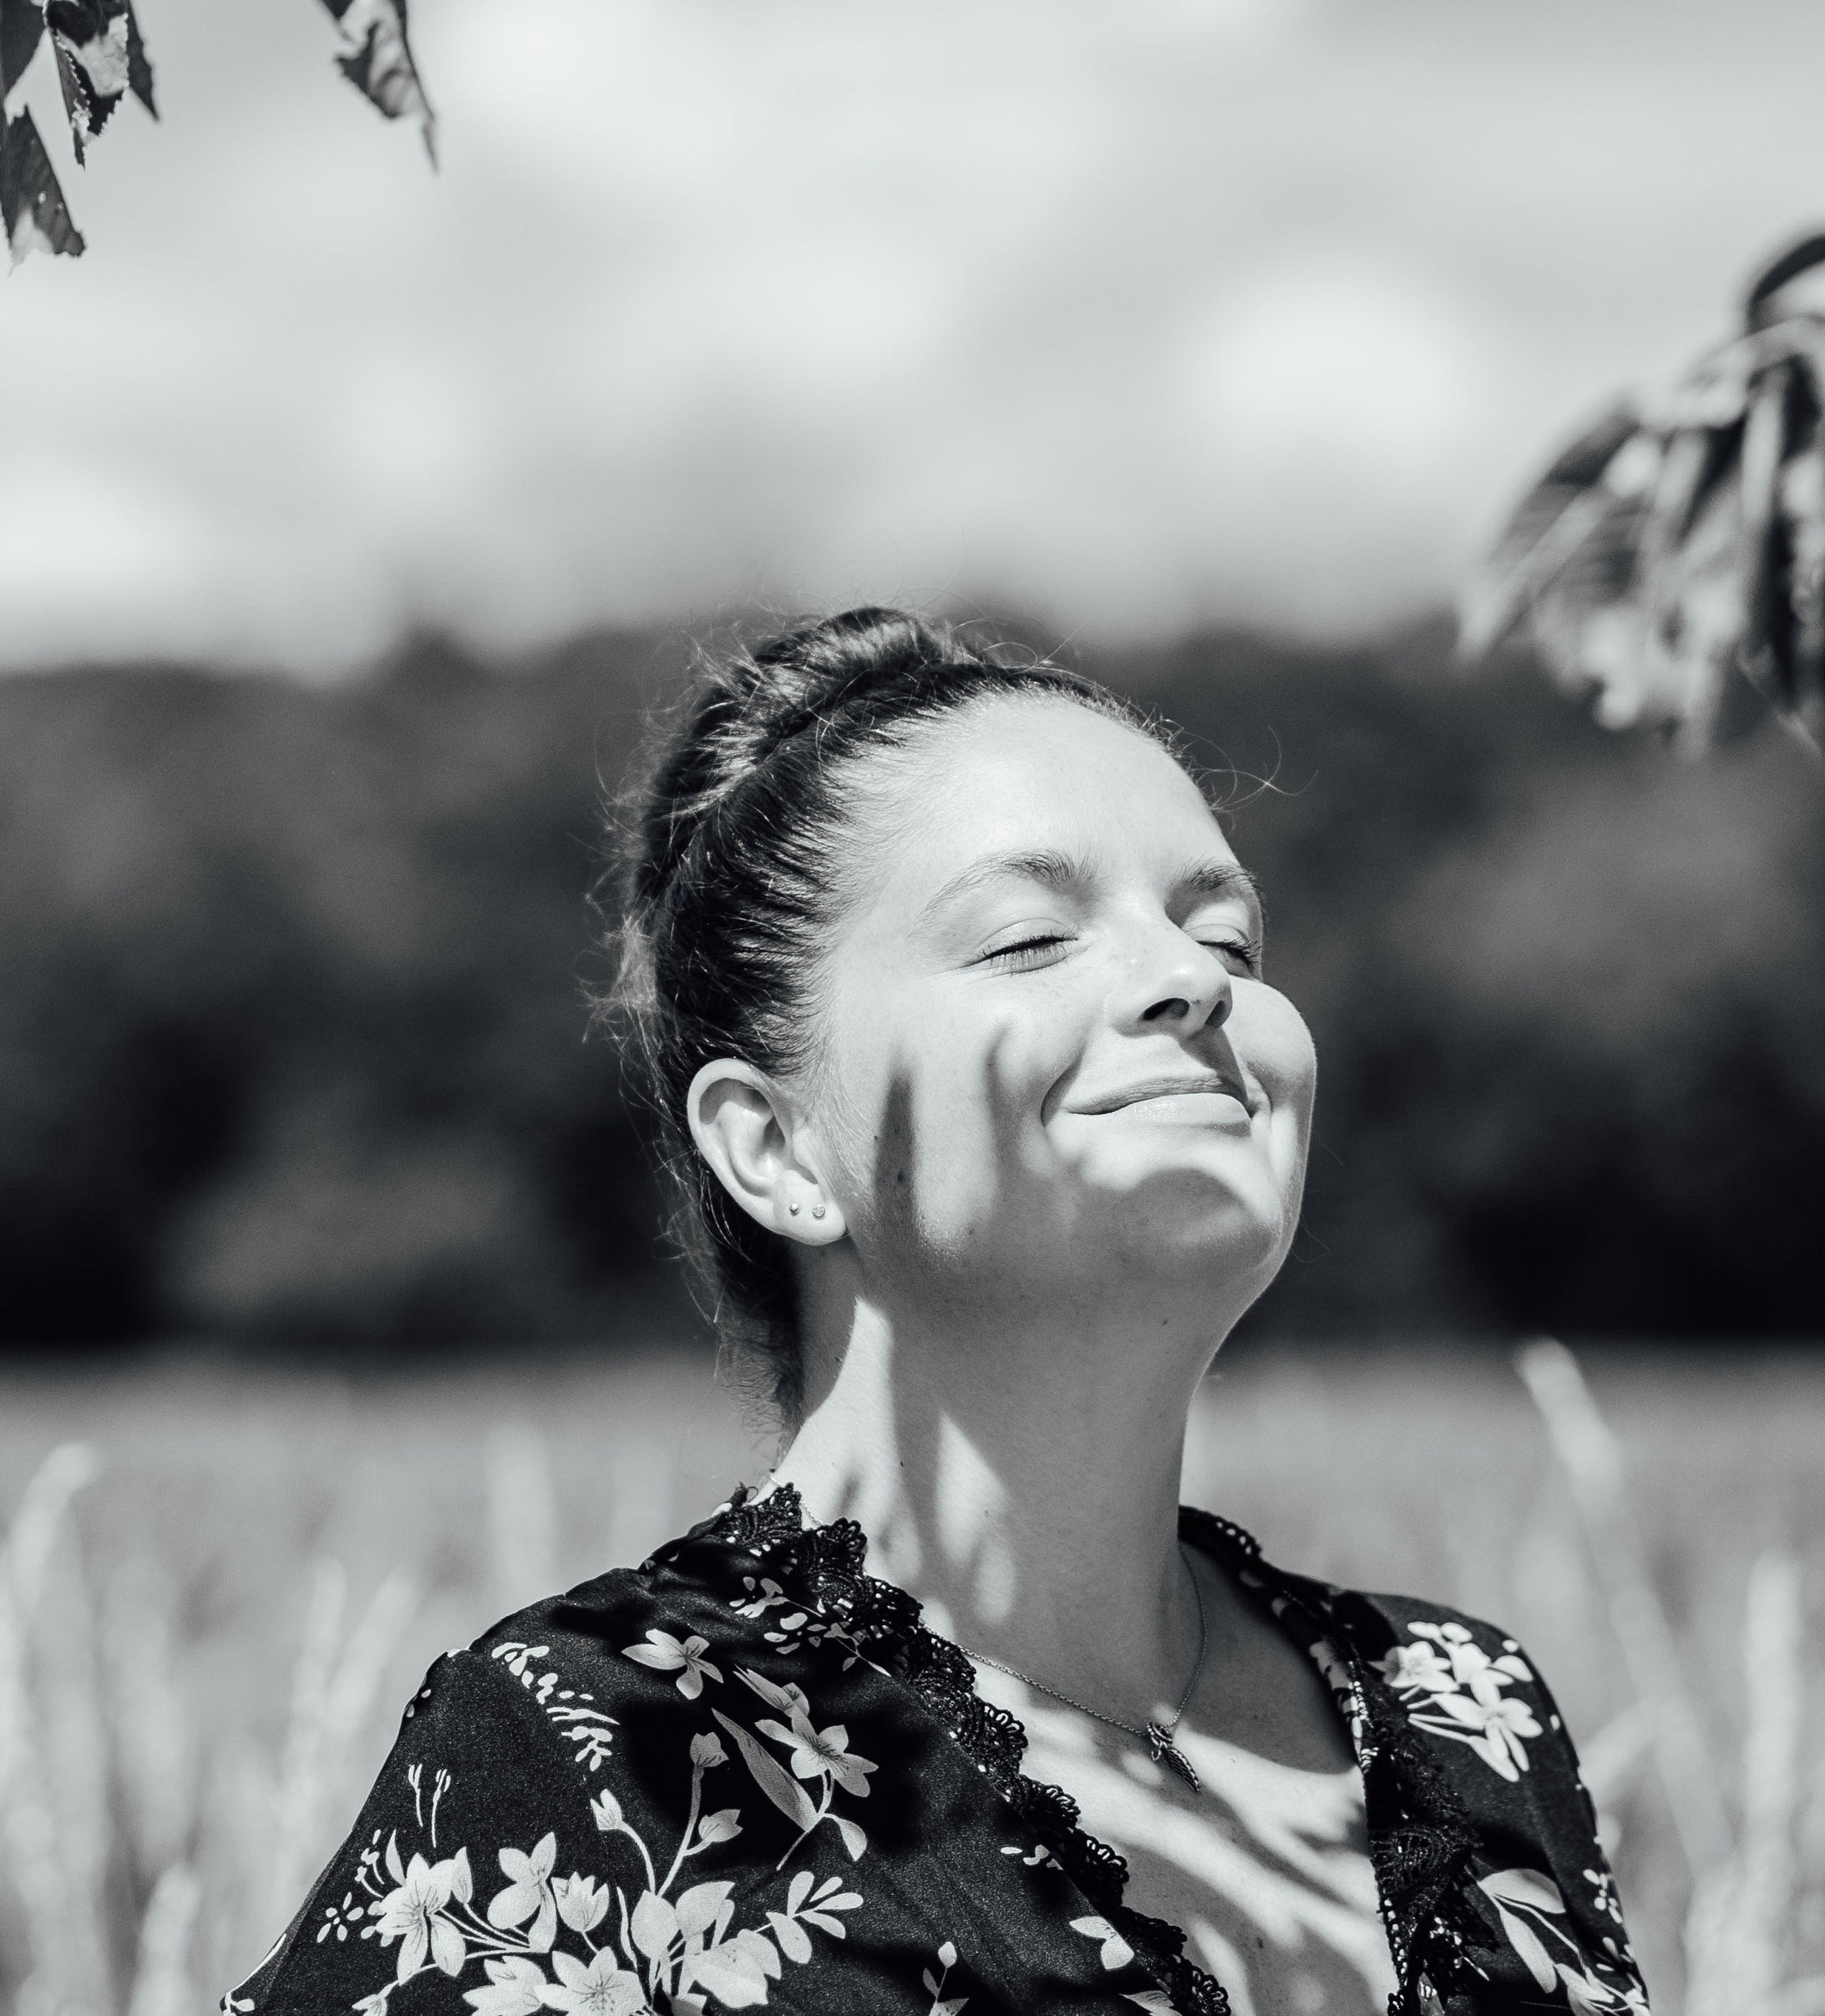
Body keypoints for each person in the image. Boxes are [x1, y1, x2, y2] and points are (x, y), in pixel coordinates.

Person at [225, 609, 1647, 2016]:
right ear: (776, 1150)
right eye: (1030, 939)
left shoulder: (1464, 1710)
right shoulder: (604, 1752)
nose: (1189, 980)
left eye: (1229, 935)